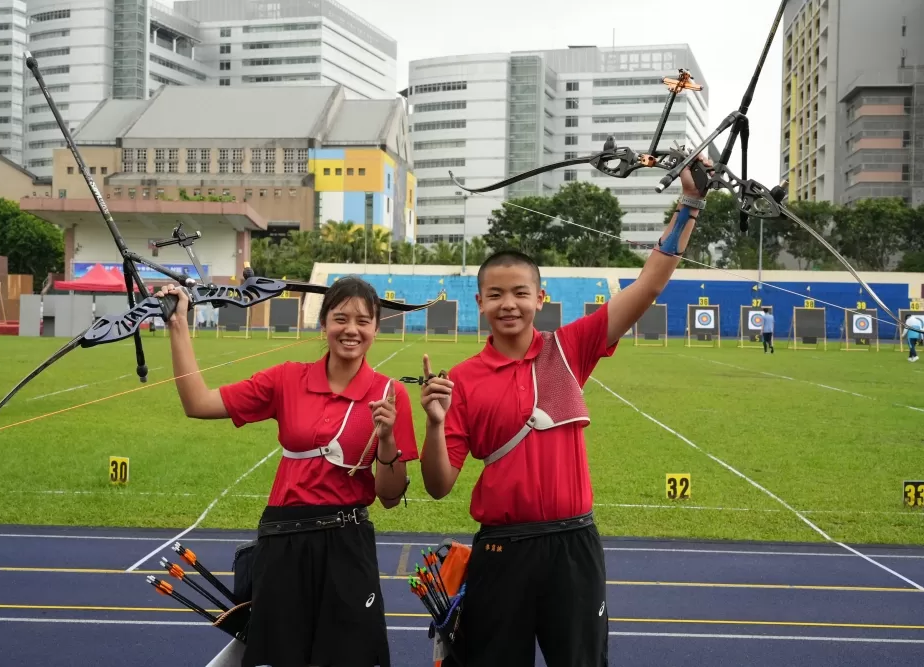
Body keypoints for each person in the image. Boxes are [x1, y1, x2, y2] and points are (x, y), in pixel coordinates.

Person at [417, 159, 712, 667]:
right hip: (501, 552)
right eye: (496, 295)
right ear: (480, 303)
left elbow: (648, 287)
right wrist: (436, 423)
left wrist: (691, 204)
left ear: (540, 297)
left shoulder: (569, 348)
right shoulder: (462, 379)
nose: (508, 304)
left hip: (573, 546)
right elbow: (439, 485)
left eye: (519, 293)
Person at [157, 276, 419, 667]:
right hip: (284, 544)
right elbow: (198, 402)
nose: (351, 330)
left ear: (376, 328)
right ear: (323, 324)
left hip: (347, 546)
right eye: (340, 318)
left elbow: (391, 496)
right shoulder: (286, 378)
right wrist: (177, 324)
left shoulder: (389, 394)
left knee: (350, 658)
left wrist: (385, 441)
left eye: (363, 321)